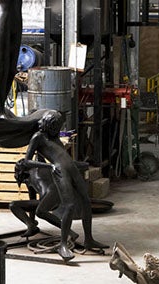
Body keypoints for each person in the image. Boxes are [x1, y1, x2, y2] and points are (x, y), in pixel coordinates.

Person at [22, 110, 107, 261]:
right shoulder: (38, 137)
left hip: (72, 168)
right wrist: (48, 166)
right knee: (69, 205)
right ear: (50, 125)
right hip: (60, 171)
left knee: (86, 201)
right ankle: (63, 245)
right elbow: (26, 161)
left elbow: (61, 153)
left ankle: (89, 239)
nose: (58, 130)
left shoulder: (54, 136)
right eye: (57, 127)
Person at [0, 0, 22, 118]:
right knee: (2, 71)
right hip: (2, 22)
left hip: (16, 23)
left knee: (12, 71)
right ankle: (0, 108)